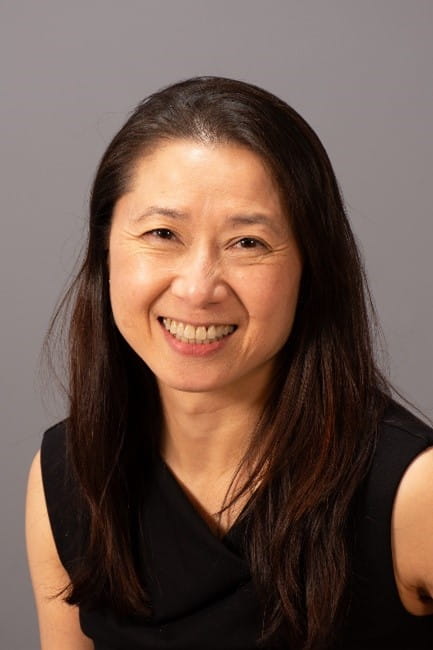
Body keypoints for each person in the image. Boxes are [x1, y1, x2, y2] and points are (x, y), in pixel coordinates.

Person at [26, 76, 433, 650]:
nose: (198, 289)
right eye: (162, 233)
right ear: (106, 250)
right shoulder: (72, 473)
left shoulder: (415, 493)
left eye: (248, 243)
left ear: (312, 267)